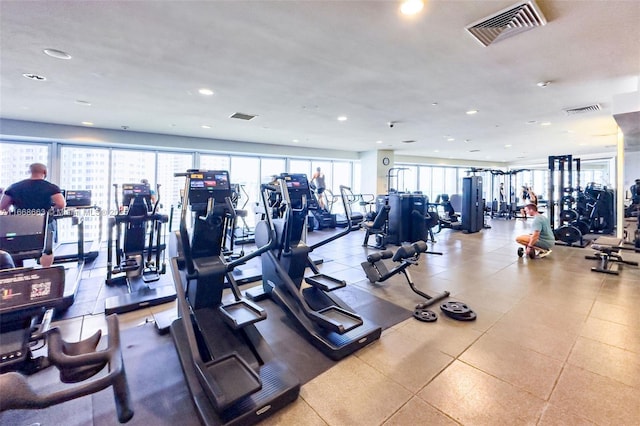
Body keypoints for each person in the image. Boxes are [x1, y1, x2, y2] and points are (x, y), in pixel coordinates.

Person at [0, 163, 66, 267]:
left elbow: (3, 207)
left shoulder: (14, 187)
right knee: (47, 250)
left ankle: (17, 272)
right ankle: (45, 271)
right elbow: (61, 204)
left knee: (16, 250)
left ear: (30, 172)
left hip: (19, 225)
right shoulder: (51, 187)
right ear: (45, 172)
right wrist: (51, 210)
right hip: (43, 223)